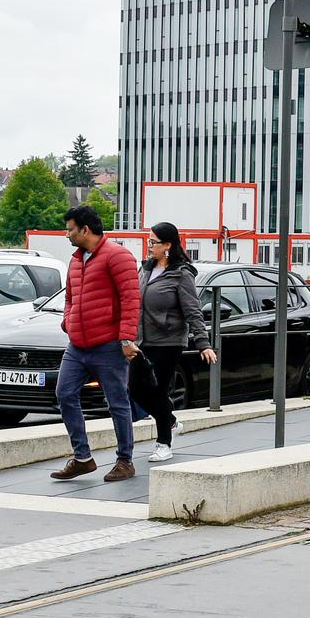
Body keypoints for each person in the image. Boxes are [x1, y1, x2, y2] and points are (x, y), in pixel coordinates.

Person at [50, 205, 143, 483]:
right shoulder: (76, 260)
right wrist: (68, 321)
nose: (67, 235)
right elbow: (70, 297)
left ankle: (125, 461)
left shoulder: (118, 256)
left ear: (85, 230)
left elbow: (130, 299)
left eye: (70, 229)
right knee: (64, 393)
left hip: (108, 345)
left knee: (117, 402)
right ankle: (82, 458)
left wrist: (126, 338)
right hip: (77, 346)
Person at [132, 223, 217, 462]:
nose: (149, 246)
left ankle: (163, 443)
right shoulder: (146, 269)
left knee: (159, 390)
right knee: (136, 388)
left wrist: (203, 343)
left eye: (153, 242)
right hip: (142, 340)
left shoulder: (182, 273)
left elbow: (193, 310)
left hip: (169, 341)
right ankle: (170, 421)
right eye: (148, 241)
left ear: (167, 245)